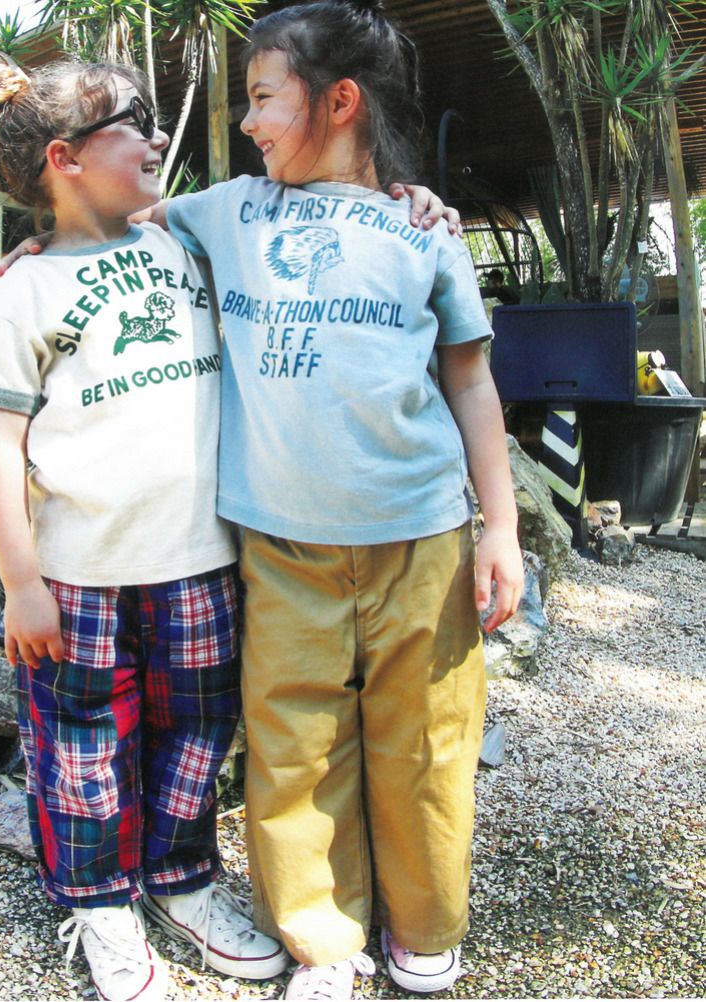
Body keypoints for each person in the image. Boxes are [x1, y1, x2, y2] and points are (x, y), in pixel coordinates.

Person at [152, 1, 524, 997]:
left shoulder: (422, 229)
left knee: (429, 736)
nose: (248, 122)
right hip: (281, 545)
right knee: (293, 744)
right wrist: (43, 251)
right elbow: (122, 226)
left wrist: (502, 527)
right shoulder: (228, 210)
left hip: (423, 536)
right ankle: (323, 939)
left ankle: (426, 922)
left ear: (340, 100)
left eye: (263, 97)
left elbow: (470, 381)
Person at [0, 56, 291, 1002]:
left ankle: (183, 879)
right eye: (133, 124)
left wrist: (407, 198)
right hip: (78, 573)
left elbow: (298, 209)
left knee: (197, 733)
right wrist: (21, 582)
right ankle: (101, 900)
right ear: (64, 158)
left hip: (200, 559)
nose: (157, 138)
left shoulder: (182, 240)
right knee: (81, 746)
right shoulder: (23, 290)